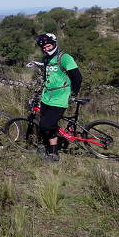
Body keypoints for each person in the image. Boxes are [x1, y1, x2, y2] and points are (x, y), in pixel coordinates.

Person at [36, 33, 82, 162]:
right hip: (46, 97)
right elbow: (47, 77)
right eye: (43, 47)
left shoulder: (65, 58)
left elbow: (77, 77)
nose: (46, 48)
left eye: (48, 45)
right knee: (49, 125)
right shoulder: (46, 59)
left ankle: (51, 151)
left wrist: (73, 94)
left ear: (54, 43)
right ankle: (53, 152)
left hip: (60, 98)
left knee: (46, 125)